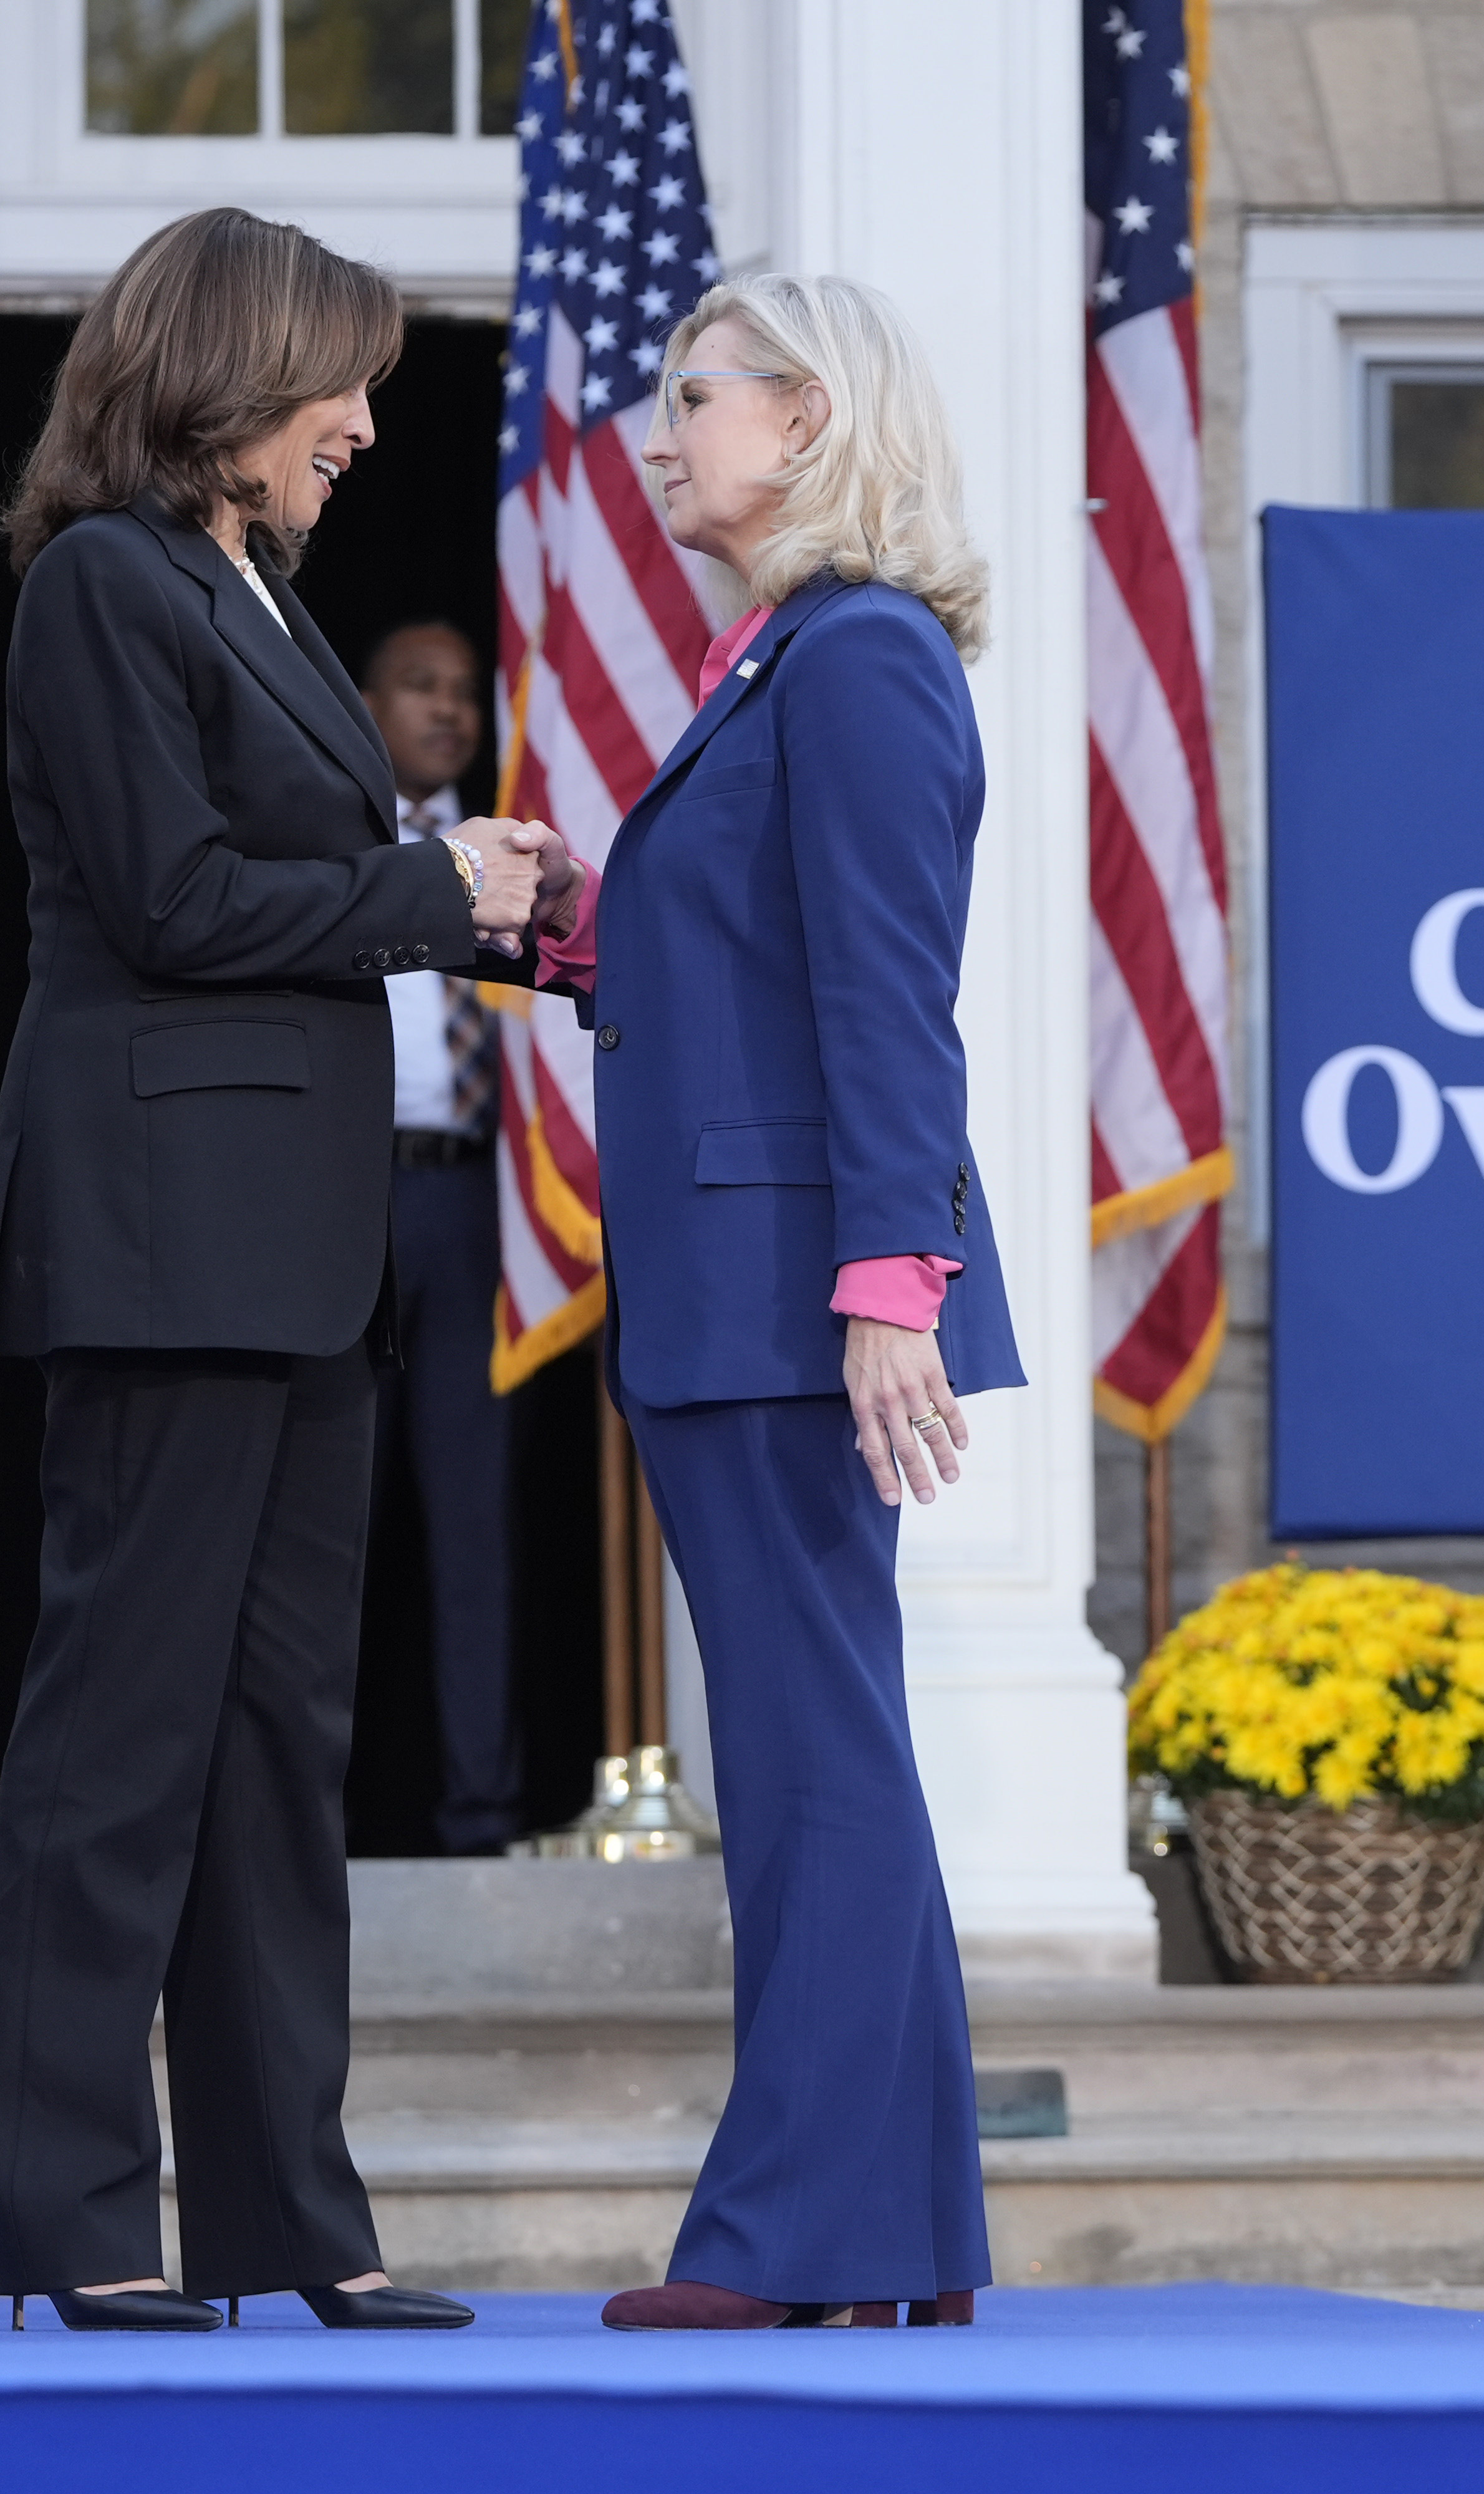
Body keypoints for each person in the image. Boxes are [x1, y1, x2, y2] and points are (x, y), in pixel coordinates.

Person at [0, 206, 554, 2336]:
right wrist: (428, 886)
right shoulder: (105, 586)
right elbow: (177, 900)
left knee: (278, 1756)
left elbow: (295, 881)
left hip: (299, 1257)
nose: (367, 425)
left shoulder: (264, 597)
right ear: (232, 372)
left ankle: (292, 2217)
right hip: (162, 1243)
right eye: (346, 384)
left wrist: (478, 895)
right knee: (119, 1749)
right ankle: (77, 2217)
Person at [512, 273, 1023, 2333]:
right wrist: (563, 928)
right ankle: (899, 2237)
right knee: (830, 1753)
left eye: (693, 396)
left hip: (799, 1297)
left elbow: (889, 998)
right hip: (753, 1282)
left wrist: (891, 1288)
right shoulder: (783, 661)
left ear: (807, 423)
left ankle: (799, 2236)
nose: (656, 433)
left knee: (812, 1762)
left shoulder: (862, 657)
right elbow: (731, 967)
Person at [358, 619, 526, 1857]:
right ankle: (305, 1816)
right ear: (367, 703)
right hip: (345, 1202)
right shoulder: (328, 838)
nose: (448, 711)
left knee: (475, 1520)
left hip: (471, 1204)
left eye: (465, 692)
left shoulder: (517, 848)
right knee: (327, 1516)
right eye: (421, 687)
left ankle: (483, 1816)